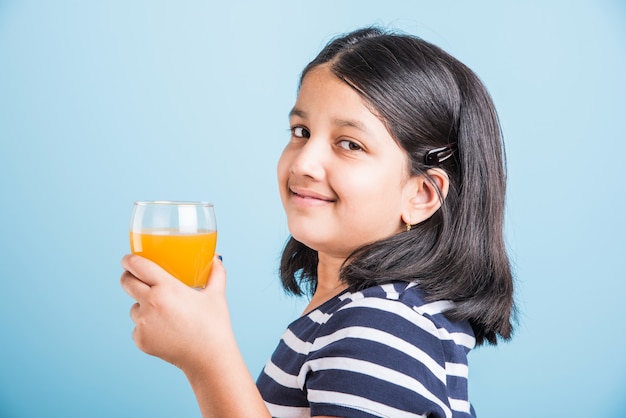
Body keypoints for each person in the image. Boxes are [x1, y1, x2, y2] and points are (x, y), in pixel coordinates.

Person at [121, 26, 515, 418]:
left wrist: (206, 359)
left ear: (421, 195)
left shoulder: (380, 327)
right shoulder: (359, 314)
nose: (304, 162)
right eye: (301, 131)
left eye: (349, 144)